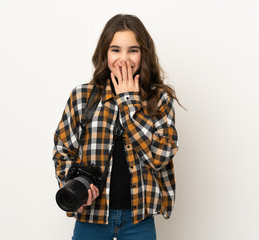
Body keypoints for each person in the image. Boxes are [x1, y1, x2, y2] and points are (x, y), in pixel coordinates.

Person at [52, 13, 182, 240]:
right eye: (115, 50)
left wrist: (129, 102)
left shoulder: (159, 98)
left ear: (144, 54)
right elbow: (62, 151)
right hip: (91, 219)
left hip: (139, 220)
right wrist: (75, 189)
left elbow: (161, 157)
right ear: (105, 53)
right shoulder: (83, 97)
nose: (124, 59)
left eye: (133, 50)